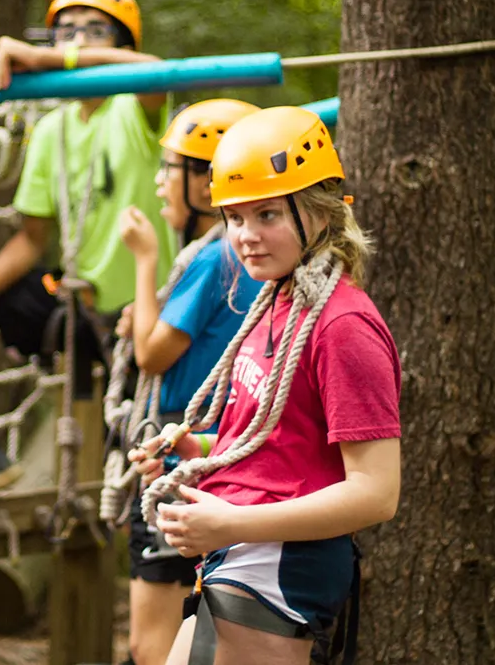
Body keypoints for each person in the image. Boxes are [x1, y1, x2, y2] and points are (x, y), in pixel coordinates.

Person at [131, 106, 402, 665]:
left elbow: (377, 493)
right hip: (241, 556)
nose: (246, 237)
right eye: (234, 218)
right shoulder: (279, 299)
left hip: (277, 568)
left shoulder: (342, 326)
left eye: (268, 215)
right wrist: (195, 449)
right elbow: (282, 442)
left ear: (321, 213)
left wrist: (229, 522)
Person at [0, 0, 177, 500]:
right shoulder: (53, 130)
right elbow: (31, 239)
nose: (76, 40)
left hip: (141, 314)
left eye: (94, 29)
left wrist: (55, 62)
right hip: (72, 308)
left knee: (138, 470)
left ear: (122, 43)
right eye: (64, 31)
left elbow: (155, 71)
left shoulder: (135, 110)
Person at [112, 97, 263, 665]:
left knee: (150, 646)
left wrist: (146, 259)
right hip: (219, 456)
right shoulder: (241, 258)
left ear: (205, 181)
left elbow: (153, 355)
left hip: (181, 459)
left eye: (169, 169)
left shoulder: (214, 258)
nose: (158, 184)